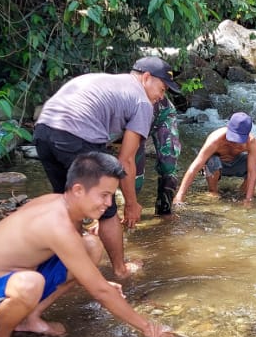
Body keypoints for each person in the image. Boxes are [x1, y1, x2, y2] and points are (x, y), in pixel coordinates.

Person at [0, 152, 175, 337]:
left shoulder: (63, 206)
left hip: (15, 279)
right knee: (29, 283)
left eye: (112, 196)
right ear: (79, 190)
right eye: (104, 195)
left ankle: (30, 318)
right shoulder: (56, 223)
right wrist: (149, 328)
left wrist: (98, 283)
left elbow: (82, 267)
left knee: (90, 245)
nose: (108, 204)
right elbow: (100, 292)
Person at [33, 56, 181, 279]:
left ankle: (66, 264)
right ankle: (120, 269)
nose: (162, 96)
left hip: (43, 130)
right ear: (147, 77)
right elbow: (125, 161)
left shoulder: (109, 81)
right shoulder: (142, 102)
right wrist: (131, 204)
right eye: (162, 89)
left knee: (69, 204)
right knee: (107, 208)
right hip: (75, 134)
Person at [173, 112, 256, 204]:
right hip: (216, 165)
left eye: (239, 139)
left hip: (236, 164)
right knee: (212, 159)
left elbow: (252, 172)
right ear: (228, 128)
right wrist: (179, 196)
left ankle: (242, 191)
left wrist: (248, 199)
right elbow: (195, 166)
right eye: (233, 137)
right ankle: (213, 191)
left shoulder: (252, 142)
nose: (235, 142)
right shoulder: (216, 139)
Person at [135, 95, 182, 216]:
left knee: (169, 165)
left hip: (162, 113)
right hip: (132, 121)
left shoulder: (158, 99)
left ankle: (164, 212)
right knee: (134, 176)